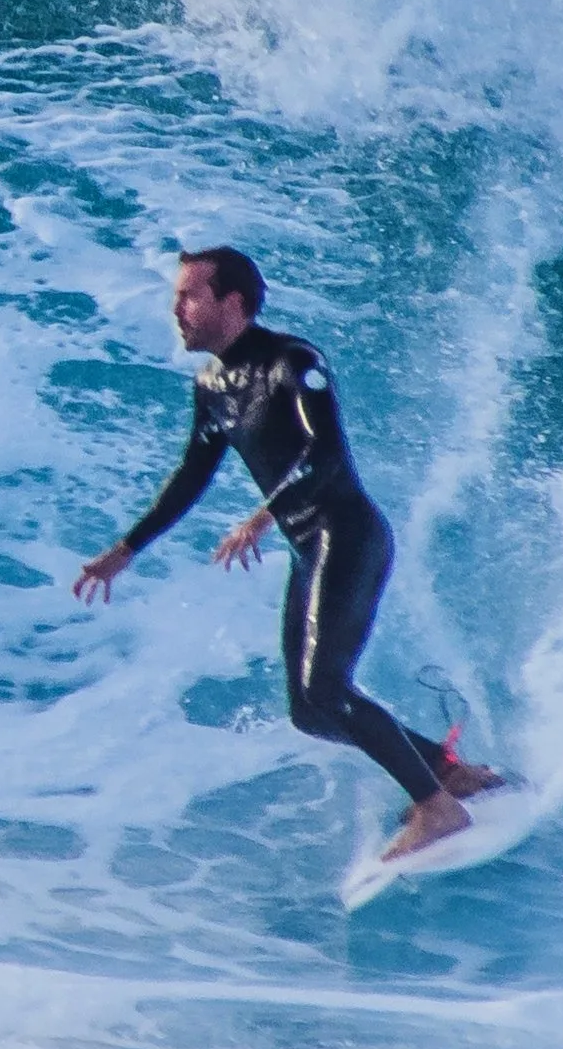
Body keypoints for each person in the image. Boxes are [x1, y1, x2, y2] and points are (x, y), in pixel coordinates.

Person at [73, 246, 502, 864]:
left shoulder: (294, 363)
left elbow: (318, 451)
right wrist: (126, 548)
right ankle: (448, 771)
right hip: (310, 548)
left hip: (347, 535)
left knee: (328, 687)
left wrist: (260, 514)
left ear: (234, 303)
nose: (176, 309)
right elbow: (191, 475)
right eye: (176, 297)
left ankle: (439, 809)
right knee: (309, 709)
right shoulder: (213, 385)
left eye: (189, 296)